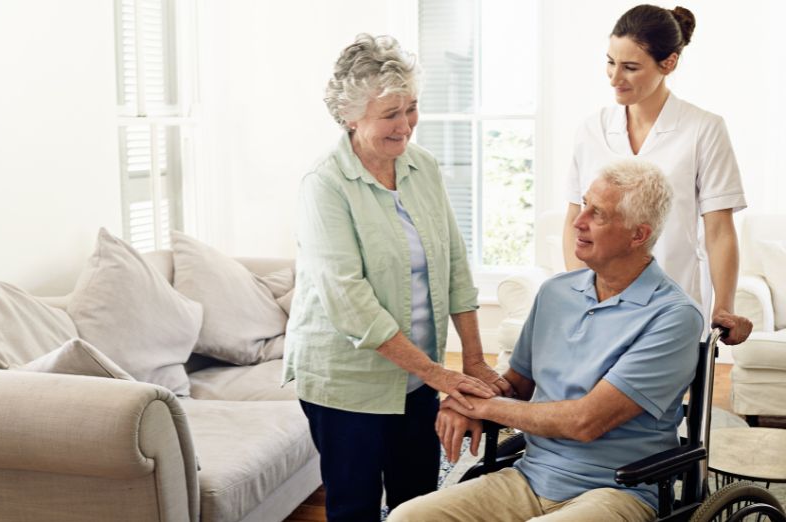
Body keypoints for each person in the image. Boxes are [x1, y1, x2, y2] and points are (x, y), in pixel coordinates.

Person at [389, 160, 704, 522]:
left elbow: (585, 421)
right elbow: (516, 387)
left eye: (597, 214)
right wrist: (462, 400)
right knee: (407, 517)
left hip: (615, 492)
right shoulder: (556, 293)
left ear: (638, 235)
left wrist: (484, 409)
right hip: (530, 477)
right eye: (584, 204)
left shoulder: (673, 316)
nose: (578, 221)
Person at [283, 33, 511, 521]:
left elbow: (453, 263)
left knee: (418, 501)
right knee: (356, 507)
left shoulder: (421, 166)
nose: (405, 124)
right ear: (351, 115)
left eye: (411, 107)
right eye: (390, 113)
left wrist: (472, 359)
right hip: (346, 382)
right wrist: (438, 373)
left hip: (417, 378)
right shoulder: (324, 185)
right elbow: (349, 302)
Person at [562, 4, 752, 344]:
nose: (615, 78)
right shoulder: (590, 130)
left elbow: (719, 230)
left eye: (630, 67)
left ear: (669, 63)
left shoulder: (703, 129)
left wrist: (724, 306)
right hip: (597, 306)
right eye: (610, 62)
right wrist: (577, 294)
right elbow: (574, 218)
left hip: (671, 304)